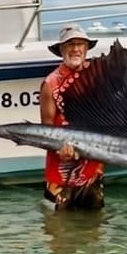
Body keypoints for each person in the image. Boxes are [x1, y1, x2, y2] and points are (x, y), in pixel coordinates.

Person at [40, 25, 106, 210]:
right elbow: (46, 129)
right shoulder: (50, 83)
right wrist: (59, 149)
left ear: (87, 48)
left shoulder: (98, 77)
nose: (76, 49)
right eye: (70, 44)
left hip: (92, 166)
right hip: (61, 166)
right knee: (58, 230)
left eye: (80, 44)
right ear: (61, 50)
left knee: (93, 228)